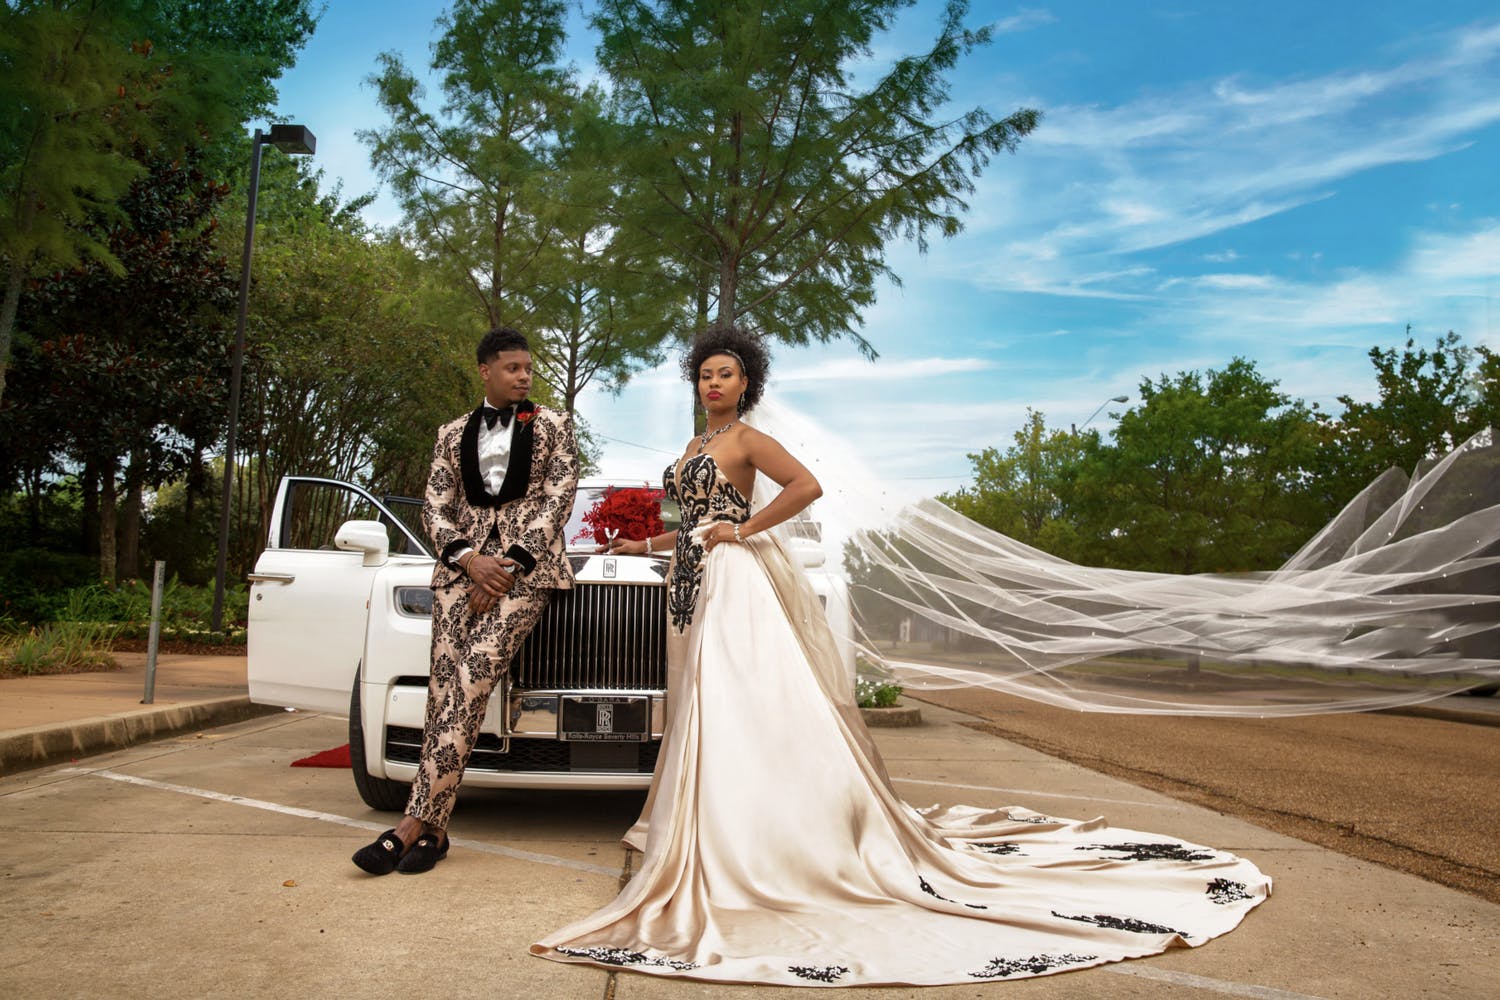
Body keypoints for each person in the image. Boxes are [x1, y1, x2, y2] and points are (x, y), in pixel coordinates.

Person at [530, 325, 1269, 986]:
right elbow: (693, 523)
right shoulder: (691, 449)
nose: (713, 383)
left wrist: (746, 530)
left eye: (726, 374)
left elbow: (807, 488)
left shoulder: (747, 441)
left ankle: (761, 836)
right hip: (690, 579)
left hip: (736, 581)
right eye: (704, 374)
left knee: (743, 696)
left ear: (746, 382)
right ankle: (702, 821)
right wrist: (645, 543)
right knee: (703, 700)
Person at [353, 327, 578, 875]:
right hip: (458, 577)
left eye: (528, 367)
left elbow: (559, 497)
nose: (524, 375)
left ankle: (410, 824)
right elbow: (435, 505)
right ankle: (436, 832)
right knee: (443, 694)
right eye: (513, 368)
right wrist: (469, 560)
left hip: (525, 576)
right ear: (485, 370)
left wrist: (505, 566)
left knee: (471, 682)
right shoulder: (451, 433)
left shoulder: (553, 426)